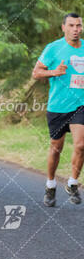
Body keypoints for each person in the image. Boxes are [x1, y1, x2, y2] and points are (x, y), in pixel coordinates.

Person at [32, 13, 84, 206]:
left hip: (80, 105)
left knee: (80, 145)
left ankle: (72, 183)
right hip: (58, 106)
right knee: (56, 147)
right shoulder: (53, 48)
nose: (76, 29)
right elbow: (36, 73)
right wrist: (54, 72)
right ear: (63, 28)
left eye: (78, 25)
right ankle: (51, 184)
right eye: (71, 25)